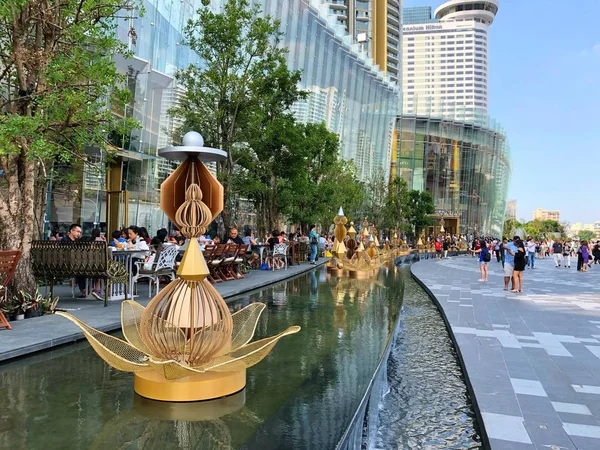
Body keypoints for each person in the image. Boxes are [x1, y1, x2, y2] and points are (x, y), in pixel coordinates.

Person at [61, 224, 93, 299]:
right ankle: (83, 290)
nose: (79, 234)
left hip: (76, 263)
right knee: (81, 269)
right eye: (77, 231)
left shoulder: (77, 241)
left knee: (84, 267)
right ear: (71, 231)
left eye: (80, 232)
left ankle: (86, 289)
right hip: (67, 263)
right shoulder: (65, 241)